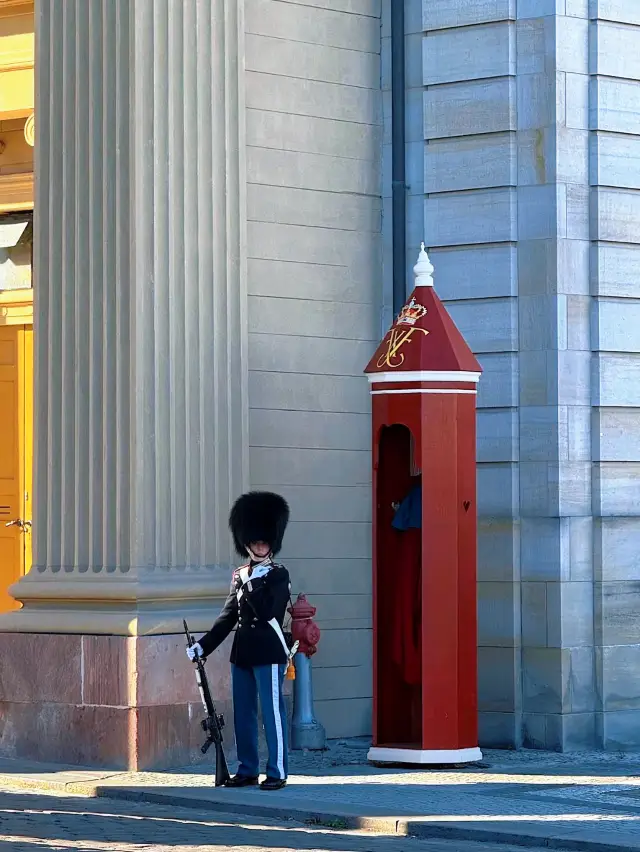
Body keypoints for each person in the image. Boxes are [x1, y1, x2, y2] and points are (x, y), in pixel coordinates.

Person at [186, 491, 292, 790]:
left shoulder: (277, 574)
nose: (260, 545)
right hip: (243, 652)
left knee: (272, 714)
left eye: (265, 541)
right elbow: (228, 616)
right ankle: (247, 769)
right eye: (256, 541)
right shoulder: (240, 575)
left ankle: (278, 770)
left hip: (269, 651)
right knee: (243, 713)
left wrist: (252, 582)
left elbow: (269, 610)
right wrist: (203, 646)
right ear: (247, 542)